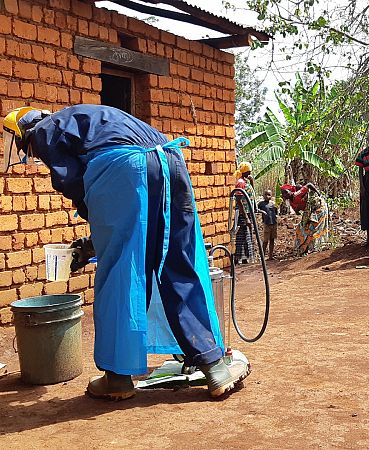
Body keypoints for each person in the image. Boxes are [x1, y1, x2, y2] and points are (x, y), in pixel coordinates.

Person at [1, 105, 248, 400]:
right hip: (170, 160)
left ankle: (117, 379)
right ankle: (215, 368)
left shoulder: (44, 129)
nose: (33, 154)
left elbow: (76, 184)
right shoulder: (88, 121)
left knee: (123, 271)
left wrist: (99, 235)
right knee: (177, 262)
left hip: (125, 166)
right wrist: (99, 235)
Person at [281, 182, 330, 255]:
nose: (285, 195)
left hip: (319, 208)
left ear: (291, 191)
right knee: (300, 228)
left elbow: (309, 184)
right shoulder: (291, 202)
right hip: (310, 212)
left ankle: (315, 247)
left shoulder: (296, 194)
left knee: (313, 227)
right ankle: (304, 248)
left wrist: (318, 193)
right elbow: (298, 211)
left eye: (286, 192)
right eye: (283, 193)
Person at [232, 162, 255, 264]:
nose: (250, 172)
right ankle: (238, 259)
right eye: (249, 171)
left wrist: (252, 182)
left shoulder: (246, 181)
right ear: (245, 171)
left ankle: (245, 258)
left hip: (248, 212)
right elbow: (239, 201)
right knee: (242, 235)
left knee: (247, 235)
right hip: (243, 213)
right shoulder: (240, 182)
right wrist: (246, 218)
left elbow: (252, 194)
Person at [256, 189, 278, 260]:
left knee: (272, 240)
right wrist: (262, 211)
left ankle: (270, 256)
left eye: (269, 195)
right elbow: (256, 209)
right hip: (267, 224)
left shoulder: (273, 204)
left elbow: (276, 212)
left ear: (271, 196)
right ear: (263, 196)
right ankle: (262, 256)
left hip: (274, 223)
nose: (267, 196)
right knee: (265, 241)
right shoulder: (261, 204)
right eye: (265, 194)